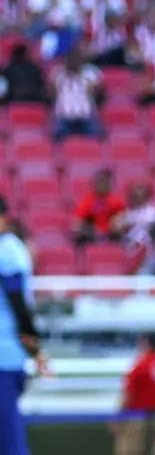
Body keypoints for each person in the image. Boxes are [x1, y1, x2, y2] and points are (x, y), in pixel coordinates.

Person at [0, 194, 46, 455]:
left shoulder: (7, 251)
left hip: (4, 357)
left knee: (9, 442)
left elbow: (18, 305)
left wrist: (35, 349)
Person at [115, 332, 155, 455]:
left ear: (145, 344)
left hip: (136, 417)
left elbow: (128, 394)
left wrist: (118, 417)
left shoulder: (140, 367)